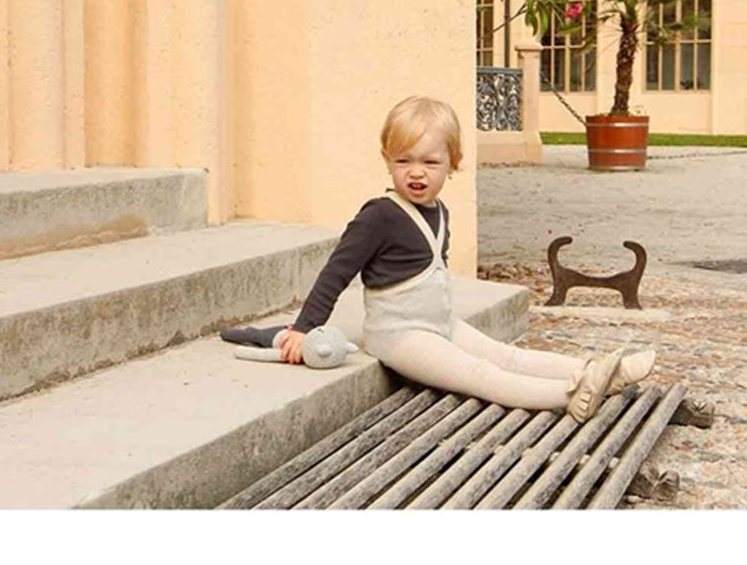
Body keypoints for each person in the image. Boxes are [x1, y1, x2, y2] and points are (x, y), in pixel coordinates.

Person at [221, 95, 656, 423]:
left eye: (430, 162)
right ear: (387, 160)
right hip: (402, 337)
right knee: (480, 374)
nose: (416, 172)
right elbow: (336, 272)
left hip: (439, 323)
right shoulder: (378, 215)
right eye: (403, 160)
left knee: (505, 355)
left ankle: (602, 370)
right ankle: (572, 395)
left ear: (454, 162)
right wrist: (303, 328)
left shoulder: (440, 211)